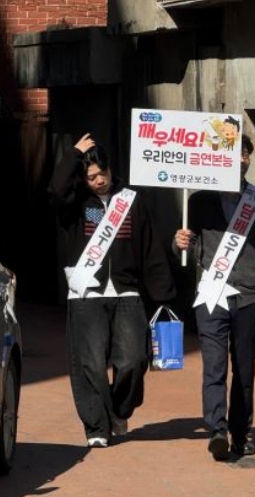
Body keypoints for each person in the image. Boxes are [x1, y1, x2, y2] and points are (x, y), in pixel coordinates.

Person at [48, 133, 177, 448]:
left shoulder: (131, 200)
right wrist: (73, 154)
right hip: (86, 295)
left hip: (127, 293)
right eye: (91, 177)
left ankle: (119, 409)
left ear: (110, 169)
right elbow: (57, 190)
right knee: (90, 364)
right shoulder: (76, 204)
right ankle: (96, 426)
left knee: (134, 359)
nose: (98, 181)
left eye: (102, 174)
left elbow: (150, 248)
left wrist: (164, 297)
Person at [174, 135, 255, 461]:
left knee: (244, 369)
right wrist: (180, 243)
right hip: (211, 294)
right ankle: (217, 429)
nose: (241, 159)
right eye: (235, 153)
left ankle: (241, 434)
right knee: (214, 365)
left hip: (249, 296)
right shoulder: (199, 201)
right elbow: (187, 246)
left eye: (245, 154)